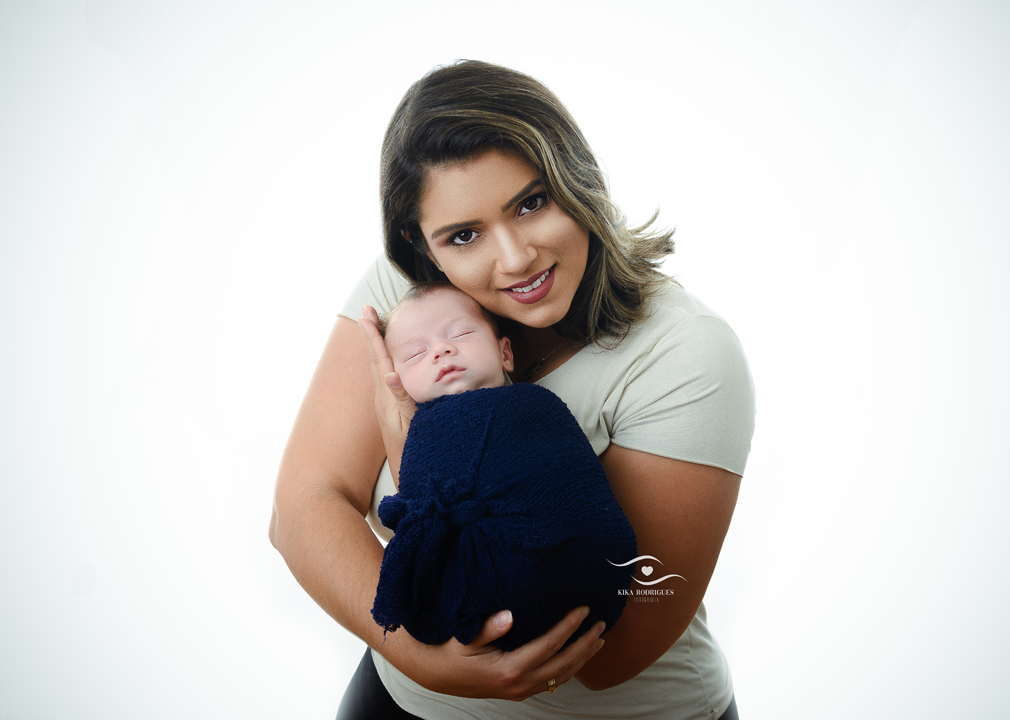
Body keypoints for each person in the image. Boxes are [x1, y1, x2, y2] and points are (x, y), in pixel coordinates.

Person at [269, 59, 755, 720]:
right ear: (423, 245)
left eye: (532, 202)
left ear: (578, 178)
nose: (516, 258)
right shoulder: (409, 293)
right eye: (464, 236)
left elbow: (611, 654)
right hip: (397, 697)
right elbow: (302, 507)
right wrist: (418, 659)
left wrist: (416, 453)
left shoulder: (686, 353)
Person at [369, 281, 637, 653]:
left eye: (460, 334)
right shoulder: (421, 432)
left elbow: (571, 484)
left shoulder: (537, 405)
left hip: (589, 572)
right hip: (483, 618)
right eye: (416, 353)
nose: (442, 350)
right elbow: (422, 516)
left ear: (505, 352)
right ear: (397, 384)